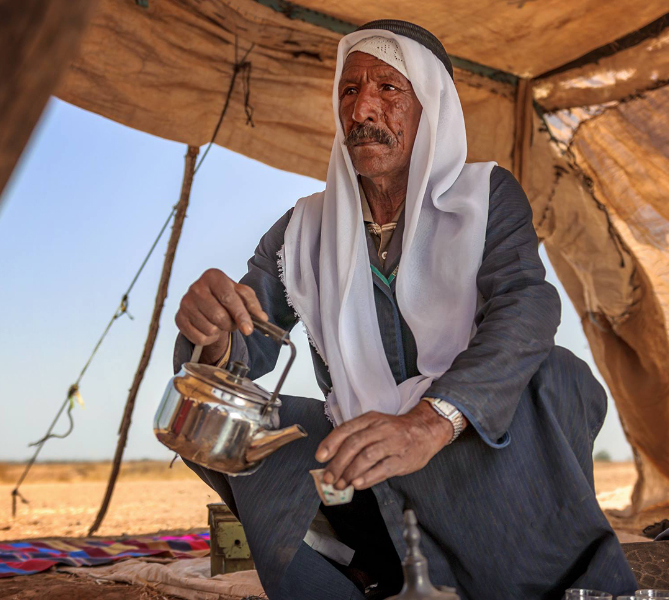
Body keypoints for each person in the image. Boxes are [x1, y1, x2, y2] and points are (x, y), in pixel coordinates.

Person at [173, 19, 636, 600]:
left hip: (465, 436)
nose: (362, 108)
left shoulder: (485, 196)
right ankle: (351, 570)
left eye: (388, 89)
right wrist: (212, 331)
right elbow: (246, 347)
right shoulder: (302, 230)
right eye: (349, 90)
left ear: (430, 109)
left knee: (556, 374)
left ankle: (542, 577)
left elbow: (526, 306)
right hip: (357, 450)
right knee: (235, 425)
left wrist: (429, 422)